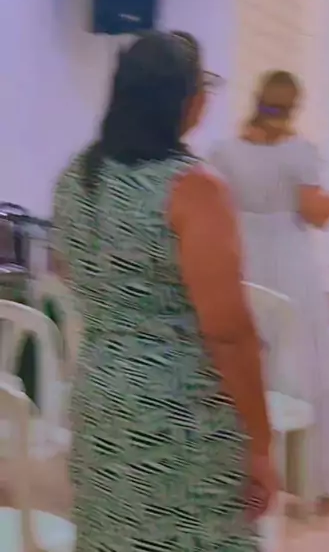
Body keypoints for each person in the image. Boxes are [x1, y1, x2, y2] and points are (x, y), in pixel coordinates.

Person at [51, 31, 275, 552]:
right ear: (184, 100)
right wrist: (261, 442)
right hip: (178, 412)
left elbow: (72, 272)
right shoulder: (193, 189)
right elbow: (227, 332)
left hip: (101, 396)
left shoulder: (77, 178)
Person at [209, 70, 329, 514]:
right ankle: (310, 480)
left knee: (246, 362)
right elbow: (320, 215)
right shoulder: (298, 154)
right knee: (304, 363)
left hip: (241, 260)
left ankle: (234, 476)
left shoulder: (224, 153)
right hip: (290, 265)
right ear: (294, 106)